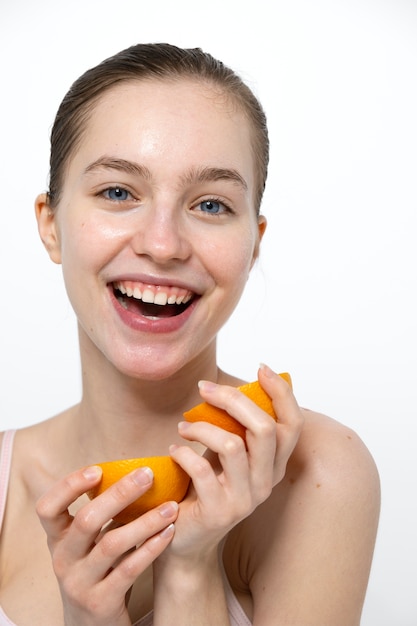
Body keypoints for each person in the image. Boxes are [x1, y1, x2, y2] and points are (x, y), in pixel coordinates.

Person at [0, 43, 380, 626]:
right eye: (118, 192)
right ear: (50, 225)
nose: (162, 244)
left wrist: (191, 568)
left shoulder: (319, 476)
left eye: (209, 204)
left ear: (253, 243)